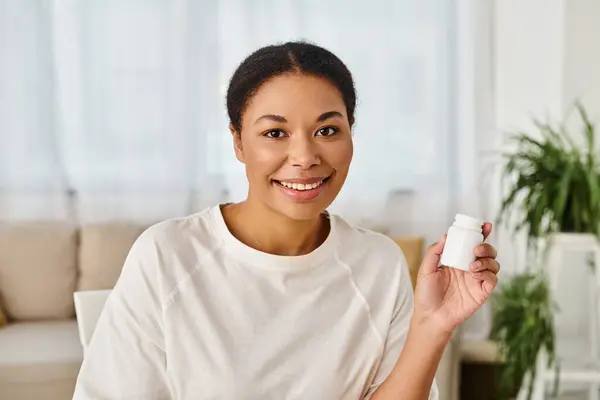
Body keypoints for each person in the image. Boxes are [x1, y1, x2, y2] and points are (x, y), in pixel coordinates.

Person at [73, 41, 499, 400]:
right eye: (275, 133)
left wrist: (433, 325)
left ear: (351, 132)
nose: (305, 157)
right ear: (238, 142)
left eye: (327, 130)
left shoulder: (378, 263)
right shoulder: (168, 255)